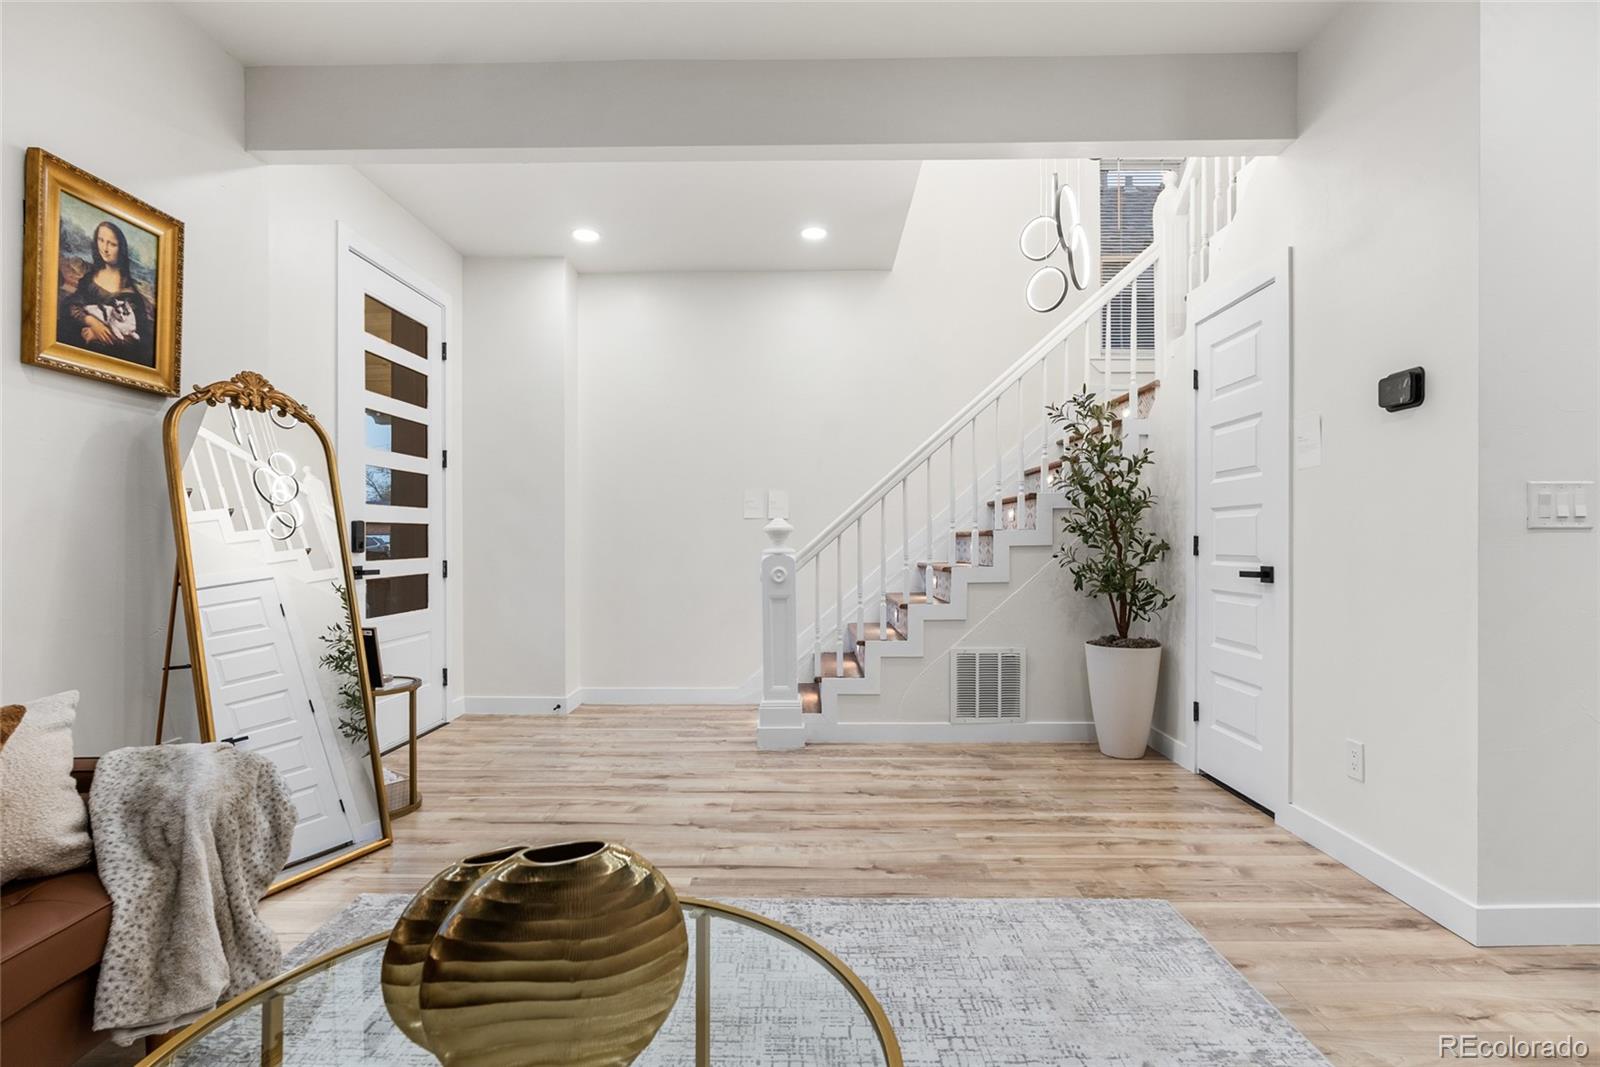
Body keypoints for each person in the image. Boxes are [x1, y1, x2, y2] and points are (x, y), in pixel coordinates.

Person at [59, 218, 155, 366]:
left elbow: (140, 343)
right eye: (101, 240)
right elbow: (70, 306)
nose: (105, 248)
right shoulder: (90, 278)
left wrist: (97, 335)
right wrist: (93, 323)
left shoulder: (131, 295)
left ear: (121, 249)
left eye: (112, 244)